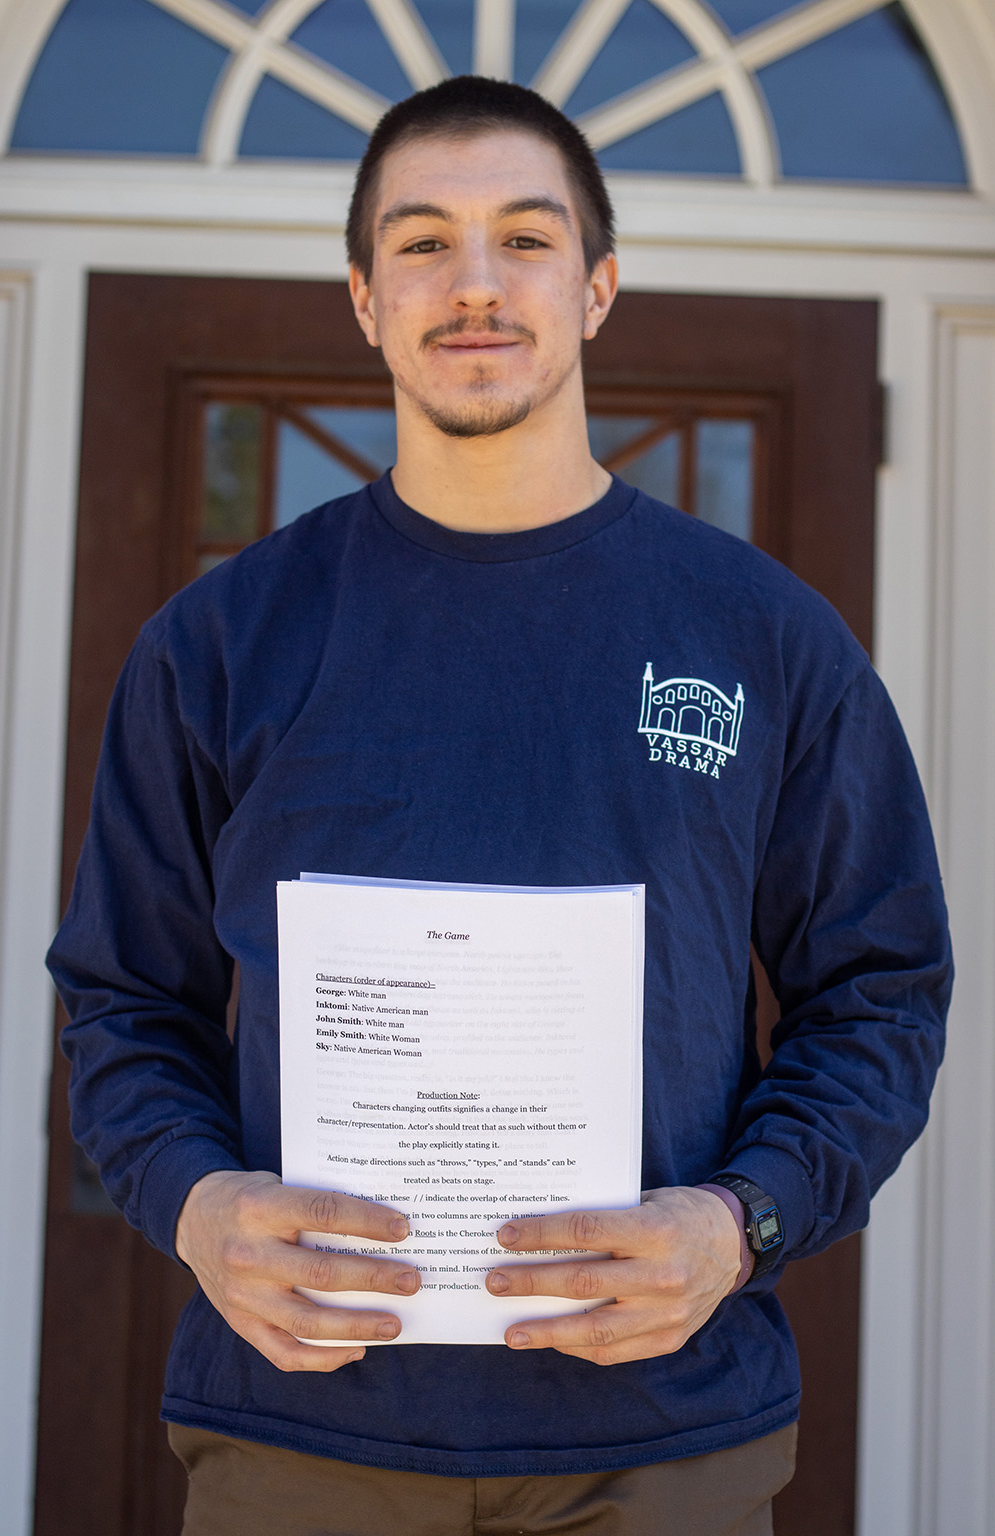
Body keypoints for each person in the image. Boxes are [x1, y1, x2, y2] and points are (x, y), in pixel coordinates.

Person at [48, 76, 952, 1536]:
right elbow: (122, 1004)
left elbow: (884, 993)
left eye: (525, 238)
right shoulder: (219, 645)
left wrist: (742, 1225)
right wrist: (196, 1208)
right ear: (362, 297)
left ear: (597, 288)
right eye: (422, 244)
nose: (475, 285)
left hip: (659, 1439)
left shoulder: (764, 641)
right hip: (306, 1428)